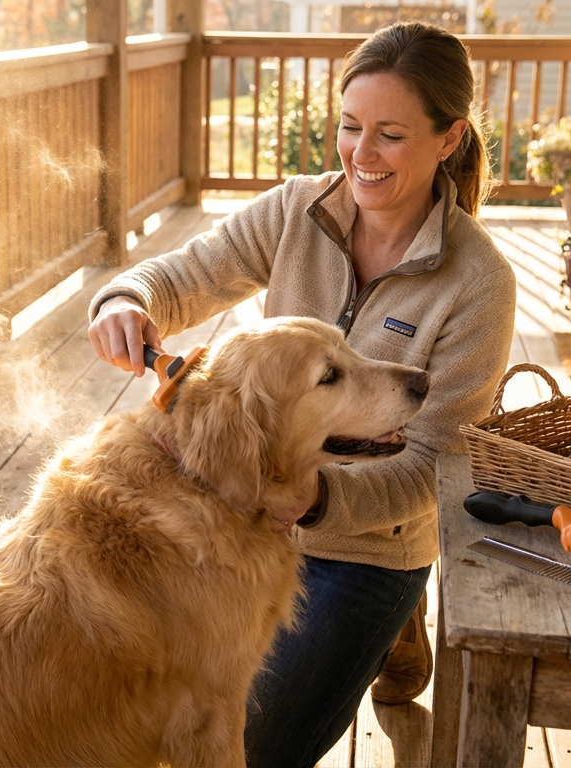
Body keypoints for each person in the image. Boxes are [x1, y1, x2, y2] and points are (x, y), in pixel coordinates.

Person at [86, 21, 516, 767]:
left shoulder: (479, 283)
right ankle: (385, 632)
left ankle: (392, 610)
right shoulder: (297, 210)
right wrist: (125, 298)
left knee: (258, 747)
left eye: (390, 134)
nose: (361, 154)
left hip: (365, 545)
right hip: (245, 513)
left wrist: (318, 504)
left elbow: (436, 468)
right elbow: (184, 275)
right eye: (350, 128)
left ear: (449, 139)